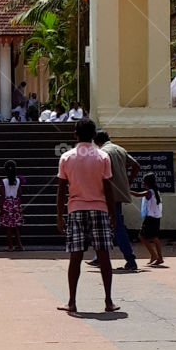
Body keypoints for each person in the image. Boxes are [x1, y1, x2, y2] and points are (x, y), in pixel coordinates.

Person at [56, 117, 119, 314]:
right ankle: (108, 301)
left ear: (75, 134)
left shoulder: (66, 157)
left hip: (75, 209)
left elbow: (61, 190)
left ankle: (72, 301)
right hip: (99, 209)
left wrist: (59, 215)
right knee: (104, 255)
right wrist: (113, 213)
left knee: (75, 256)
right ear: (93, 135)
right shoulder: (102, 157)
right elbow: (108, 188)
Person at [94, 129, 139, 272]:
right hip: (119, 191)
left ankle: (130, 259)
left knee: (115, 225)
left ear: (96, 142)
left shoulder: (102, 153)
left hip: (108, 193)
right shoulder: (119, 149)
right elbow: (136, 165)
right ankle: (99, 257)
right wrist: (127, 182)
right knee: (110, 224)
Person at [132, 173, 164, 266]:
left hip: (150, 218)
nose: (142, 183)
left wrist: (127, 191)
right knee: (155, 238)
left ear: (147, 183)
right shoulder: (156, 191)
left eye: (143, 182)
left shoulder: (149, 192)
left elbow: (137, 194)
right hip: (156, 217)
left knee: (142, 236)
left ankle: (154, 255)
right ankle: (159, 257)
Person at [0, 159, 24, 251]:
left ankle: (10, 246)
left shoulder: (4, 181)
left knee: (8, 227)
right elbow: (20, 194)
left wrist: (0, 208)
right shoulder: (18, 180)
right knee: (16, 226)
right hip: (16, 203)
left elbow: (2, 195)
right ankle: (20, 245)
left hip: (7, 203)